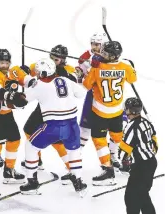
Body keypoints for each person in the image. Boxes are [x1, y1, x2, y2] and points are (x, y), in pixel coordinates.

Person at [19, 58, 87, 196]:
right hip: (72, 125)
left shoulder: (39, 85)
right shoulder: (66, 80)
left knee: (30, 146)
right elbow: (81, 93)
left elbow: (21, 101)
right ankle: (78, 181)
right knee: (73, 151)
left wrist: (13, 95)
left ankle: (32, 182)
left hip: (53, 126)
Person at [83, 41, 137, 185]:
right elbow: (133, 79)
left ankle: (108, 169)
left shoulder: (97, 68)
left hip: (100, 111)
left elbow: (86, 85)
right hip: (118, 110)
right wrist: (129, 65)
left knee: (99, 140)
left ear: (112, 55)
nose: (102, 54)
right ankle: (115, 157)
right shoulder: (125, 66)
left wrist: (92, 69)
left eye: (105, 53)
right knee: (117, 136)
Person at [0, 48, 35, 184]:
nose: (4, 65)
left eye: (6, 63)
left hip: (5, 112)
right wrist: (12, 96)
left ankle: (9, 169)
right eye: (1, 63)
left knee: (14, 139)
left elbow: (26, 79)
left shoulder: (13, 70)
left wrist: (33, 83)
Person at [77, 32, 127, 170]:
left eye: (97, 44)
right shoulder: (86, 57)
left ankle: (113, 155)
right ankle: (76, 154)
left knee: (117, 129)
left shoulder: (108, 57)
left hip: (111, 98)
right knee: (85, 127)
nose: (94, 46)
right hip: (94, 97)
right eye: (92, 43)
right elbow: (80, 74)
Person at [119, 97, 158, 214]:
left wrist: (125, 163)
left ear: (129, 111)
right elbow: (155, 143)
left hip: (141, 168)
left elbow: (124, 152)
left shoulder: (131, 127)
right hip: (151, 163)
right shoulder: (146, 122)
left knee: (131, 198)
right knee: (142, 196)